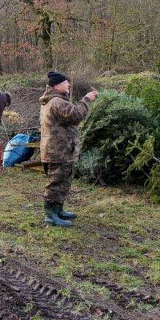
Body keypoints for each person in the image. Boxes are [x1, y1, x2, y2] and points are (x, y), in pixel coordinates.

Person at [39, 71, 98, 227]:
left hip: (60, 150)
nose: (69, 85)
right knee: (55, 183)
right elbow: (76, 115)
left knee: (63, 182)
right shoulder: (57, 101)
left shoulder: (53, 101)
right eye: (66, 83)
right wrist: (86, 99)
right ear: (58, 86)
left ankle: (58, 210)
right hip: (57, 151)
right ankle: (50, 216)